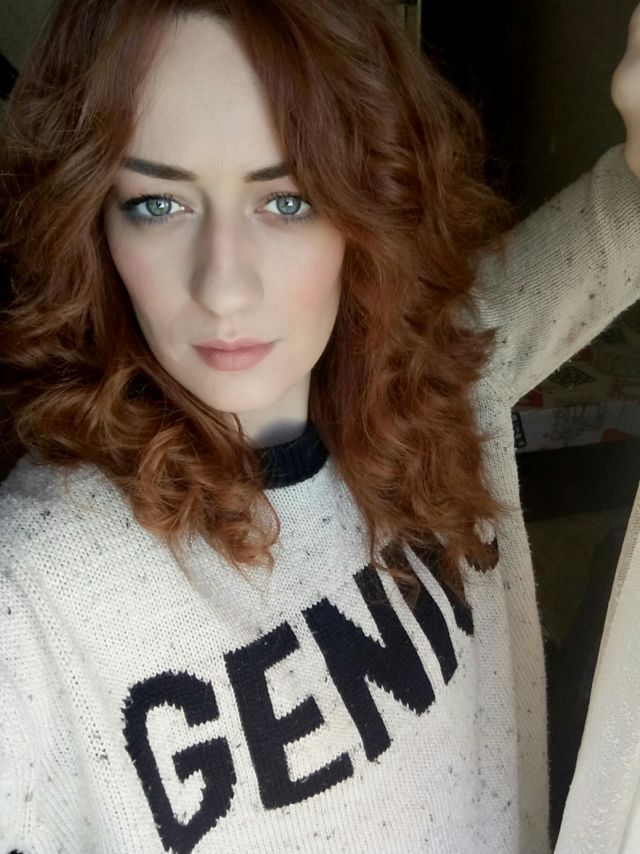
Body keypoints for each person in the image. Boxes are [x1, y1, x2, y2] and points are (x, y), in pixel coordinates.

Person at [0, 0, 639, 851]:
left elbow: (621, 219)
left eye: (289, 199)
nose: (224, 288)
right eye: (156, 204)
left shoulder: (447, 372)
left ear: (368, 202)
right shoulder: (37, 584)